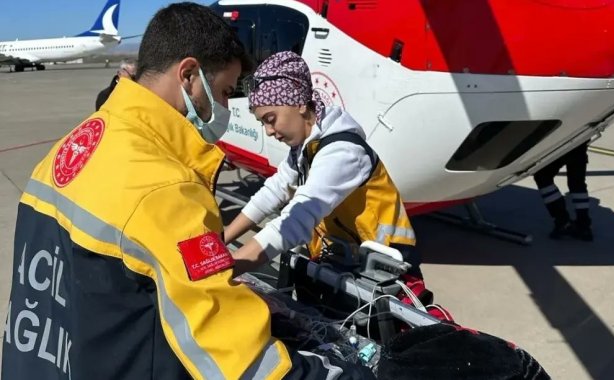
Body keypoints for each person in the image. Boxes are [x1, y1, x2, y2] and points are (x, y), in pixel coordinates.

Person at [2, 4, 374, 379]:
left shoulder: (66, 151)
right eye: (227, 91)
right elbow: (244, 364)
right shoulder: (165, 188)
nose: (227, 108)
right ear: (190, 75)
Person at [225, 51, 439, 313]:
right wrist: (221, 240)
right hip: (342, 267)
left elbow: (297, 218)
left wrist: (232, 264)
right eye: (262, 123)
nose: (268, 131)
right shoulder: (304, 148)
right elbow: (273, 191)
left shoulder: (343, 153)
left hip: (385, 275)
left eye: (271, 119)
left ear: (300, 103)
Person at [533, 142, 593, 241]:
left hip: (562, 144)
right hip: (580, 142)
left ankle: (563, 221)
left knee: (542, 176)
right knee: (577, 183)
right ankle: (584, 225)